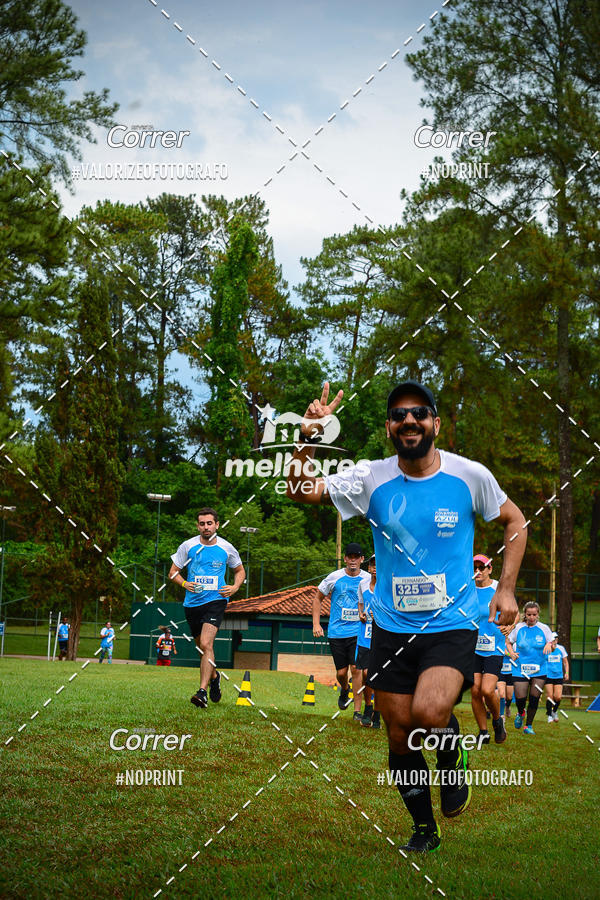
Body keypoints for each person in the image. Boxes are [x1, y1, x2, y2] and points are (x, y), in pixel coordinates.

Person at [287, 380, 526, 853]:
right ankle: (423, 828)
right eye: (399, 415)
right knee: (399, 735)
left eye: (419, 413)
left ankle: (452, 758)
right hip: (391, 628)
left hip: (451, 623)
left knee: (429, 713)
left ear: (435, 423)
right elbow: (300, 490)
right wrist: (307, 437)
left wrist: (506, 587)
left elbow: (515, 521)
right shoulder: (370, 477)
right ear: (389, 428)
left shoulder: (469, 476)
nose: (409, 420)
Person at [169, 507, 245, 708]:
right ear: (198, 526)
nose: (206, 527)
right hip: (192, 604)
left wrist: (235, 587)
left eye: (209, 523)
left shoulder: (226, 548)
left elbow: (240, 571)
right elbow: (173, 572)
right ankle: (214, 677)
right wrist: (185, 584)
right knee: (202, 648)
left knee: (206, 643)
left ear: (217, 525)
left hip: (216, 601)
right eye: (202, 524)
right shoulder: (188, 546)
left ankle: (201, 692)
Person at [314, 543, 365, 720]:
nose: (353, 560)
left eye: (356, 557)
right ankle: (345, 688)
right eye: (350, 557)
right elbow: (317, 598)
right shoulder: (334, 577)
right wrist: (316, 624)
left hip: (358, 631)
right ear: (345, 559)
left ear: (362, 559)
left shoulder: (367, 579)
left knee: (356, 669)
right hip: (336, 632)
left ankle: (357, 711)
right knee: (342, 673)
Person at [470, 554, 507, 744]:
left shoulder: (499, 589)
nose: (477, 571)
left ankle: (497, 720)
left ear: (490, 569)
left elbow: (514, 613)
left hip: (494, 647)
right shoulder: (467, 589)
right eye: (474, 568)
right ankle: (483, 732)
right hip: (473, 647)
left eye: (481, 567)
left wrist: (510, 626)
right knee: (475, 691)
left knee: (487, 690)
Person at [507, 601, 553, 734]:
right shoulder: (518, 628)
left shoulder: (544, 628)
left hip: (539, 669)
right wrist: (511, 653)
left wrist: (550, 644)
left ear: (538, 614)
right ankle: (521, 713)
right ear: (525, 615)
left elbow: (552, 643)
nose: (531, 617)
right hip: (520, 669)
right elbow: (508, 642)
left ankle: (528, 726)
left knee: (534, 698)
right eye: (529, 615)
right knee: (520, 698)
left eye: (534, 615)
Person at [357, 554, 381, 729]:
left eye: (378, 564)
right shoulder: (363, 584)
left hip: (382, 637)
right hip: (365, 636)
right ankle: (368, 708)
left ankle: (377, 715)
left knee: (378, 677)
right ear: (368, 567)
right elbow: (360, 603)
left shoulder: (387, 586)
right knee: (366, 674)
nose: (375, 568)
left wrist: (379, 614)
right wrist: (361, 614)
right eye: (372, 564)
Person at [545, 632, 569, 722]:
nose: (555, 641)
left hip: (558, 676)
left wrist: (566, 673)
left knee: (558, 697)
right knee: (550, 696)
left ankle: (554, 711)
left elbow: (565, 662)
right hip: (548, 675)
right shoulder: (546, 649)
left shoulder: (561, 649)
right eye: (553, 639)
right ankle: (549, 715)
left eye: (556, 639)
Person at [497, 653, 515, 718]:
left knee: (509, 697)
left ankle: (507, 706)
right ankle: (501, 715)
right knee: (501, 694)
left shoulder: (515, 646)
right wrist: (510, 654)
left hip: (511, 672)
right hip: (500, 671)